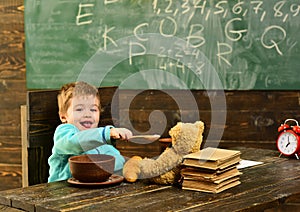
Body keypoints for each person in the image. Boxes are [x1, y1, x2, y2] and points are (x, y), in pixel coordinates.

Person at [48, 81, 132, 182]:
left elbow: (118, 160)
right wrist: (107, 133)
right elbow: (75, 142)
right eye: (79, 109)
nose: (87, 114)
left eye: (93, 110)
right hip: (62, 191)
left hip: (93, 191)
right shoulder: (64, 132)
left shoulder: (100, 139)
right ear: (63, 116)